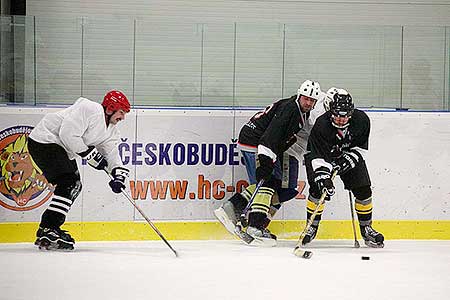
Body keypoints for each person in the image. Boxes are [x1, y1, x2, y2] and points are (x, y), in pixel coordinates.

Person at [214, 80, 323, 247]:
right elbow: (270, 136)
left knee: (273, 183)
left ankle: (232, 209)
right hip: (255, 142)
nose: (308, 103)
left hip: (257, 141)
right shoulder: (291, 110)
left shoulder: (299, 111)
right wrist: (266, 160)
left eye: (311, 100)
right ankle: (254, 226)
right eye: (305, 98)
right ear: (299, 95)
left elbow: (279, 137)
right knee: (268, 181)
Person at [28, 90, 131, 251]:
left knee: (74, 185)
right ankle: (48, 227)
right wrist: (89, 153)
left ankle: (49, 227)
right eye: (121, 112)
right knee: (69, 182)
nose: (123, 117)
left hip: (60, 148)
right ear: (110, 108)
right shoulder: (89, 109)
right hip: (44, 140)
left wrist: (118, 173)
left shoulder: (111, 130)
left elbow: (111, 153)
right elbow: (67, 134)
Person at [302, 88, 385, 248]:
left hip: (348, 155)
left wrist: (347, 161)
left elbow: (361, 149)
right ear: (331, 111)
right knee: (318, 190)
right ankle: (311, 226)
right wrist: (324, 178)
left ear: (351, 113)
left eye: (345, 116)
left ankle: (366, 228)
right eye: (337, 115)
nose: (341, 119)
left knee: (364, 189)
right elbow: (316, 156)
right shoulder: (322, 125)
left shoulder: (362, 120)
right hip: (322, 158)